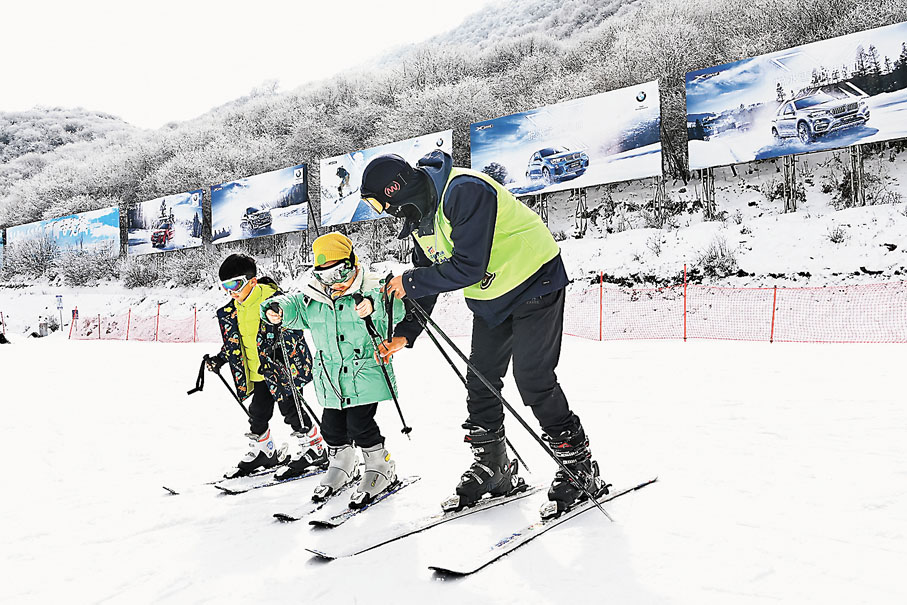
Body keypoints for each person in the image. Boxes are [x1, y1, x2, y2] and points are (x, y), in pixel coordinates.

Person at [359, 150, 608, 517]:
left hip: (534, 280)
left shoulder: (464, 191)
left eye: (381, 204)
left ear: (394, 190)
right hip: (492, 297)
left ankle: (580, 466)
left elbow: (467, 267)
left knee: (533, 378)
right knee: (480, 380)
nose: (385, 212)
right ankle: (494, 467)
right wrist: (407, 332)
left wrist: (409, 281)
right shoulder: (421, 216)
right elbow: (427, 276)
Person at [262, 233, 405, 508]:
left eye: (340, 272)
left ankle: (380, 466)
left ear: (352, 263)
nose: (334, 281)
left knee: (360, 425)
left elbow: (395, 307)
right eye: (325, 275)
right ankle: (342, 464)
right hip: (330, 378)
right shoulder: (314, 297)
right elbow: (292, 305)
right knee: (331, 428)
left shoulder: (371, 286)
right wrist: (275, 308)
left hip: (364, 373)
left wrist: (374, 306)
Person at [206, 253, 327, 479]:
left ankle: (315, 448)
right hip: (257, 373)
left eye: (235, 284)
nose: (231, 292)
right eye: (225, 286)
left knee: (291, 410)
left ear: (252, 281)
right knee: (258, 413)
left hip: (280, 371)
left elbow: (294, 331)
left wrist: (284, 355)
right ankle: (264, 451)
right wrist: (220, 359)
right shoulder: (234, 309)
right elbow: (238, 341)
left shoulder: (275, 302)